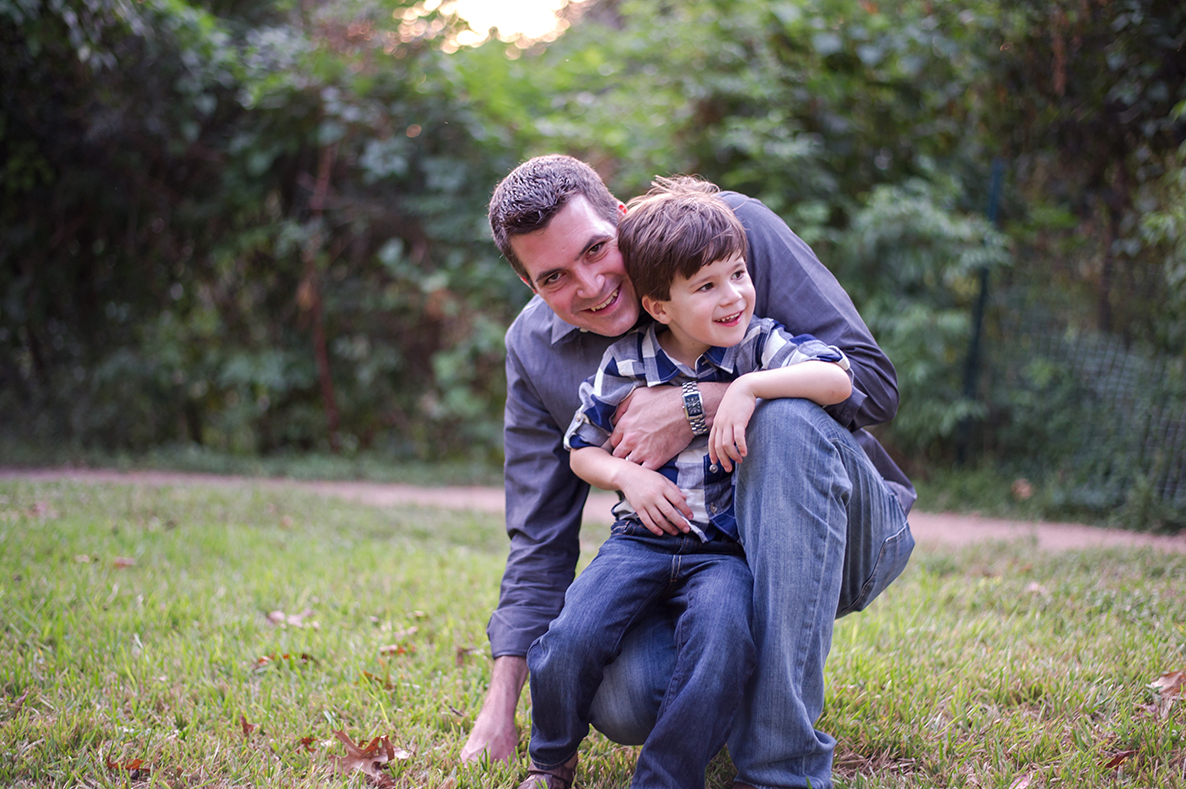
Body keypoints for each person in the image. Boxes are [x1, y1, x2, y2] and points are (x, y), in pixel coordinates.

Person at [464, 154, 916, 789]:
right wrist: (498, 709)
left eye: (598, 248)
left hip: (841, 531)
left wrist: (700, 405)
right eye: (555, 277)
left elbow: (871, 383)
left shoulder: (726, 234)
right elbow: (541, 534)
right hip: (694, 558)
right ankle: (741, 682)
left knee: (780, 417)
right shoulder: (534, 349)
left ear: (621, 217)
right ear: (529, 287)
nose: (591, 285)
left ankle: (779, 762)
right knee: (623, 701)